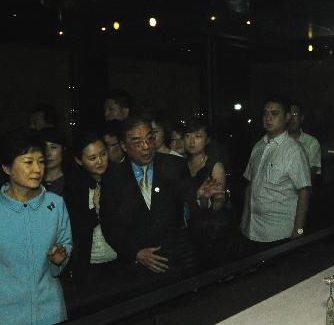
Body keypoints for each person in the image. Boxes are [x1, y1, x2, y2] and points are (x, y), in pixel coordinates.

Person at [0, 129, 71, 325]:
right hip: (4, 317)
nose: (37, 169)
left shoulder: (56, 205)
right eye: (28, 162)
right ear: (6, 168)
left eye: (41, 162)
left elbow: (66, 246)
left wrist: (58, 260)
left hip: (50, 311)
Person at [99, 116, 193, 283]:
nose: (146, 146)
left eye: (150, 138)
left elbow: (191, 209)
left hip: (176, 264)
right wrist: (136, 253)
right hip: (136, 271)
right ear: (124, 146)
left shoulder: (175, 166)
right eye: (137, 142)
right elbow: (110, 225)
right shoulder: (112, 178)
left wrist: (204, 200)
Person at [241, 96, 311, 245]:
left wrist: (298, 231)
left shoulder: (294, 150)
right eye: (265, 113)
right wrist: (243, 221)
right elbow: (250, 187)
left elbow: (304, 191)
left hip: (279, 233)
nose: (268, 118)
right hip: (252, 230)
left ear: (286, 117)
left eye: (275, 113)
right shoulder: (258, 146)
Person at [63, 131, 120, 309]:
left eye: (103, 154)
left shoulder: (119, 179)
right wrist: (95, 211)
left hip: (120, 259)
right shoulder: (73, 187)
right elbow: (73, 227)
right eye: (92, 157)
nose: (100, 161)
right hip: (89, 264)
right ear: (79, 160)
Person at [184, 119, 231, 266]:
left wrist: (204, 199)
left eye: (198, 136)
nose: (192, 141)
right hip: (187, 228)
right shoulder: (180, 164)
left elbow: (217, 206)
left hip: (210, 230)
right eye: (188, 136)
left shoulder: (215, 166)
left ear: (207, 140)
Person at [288, 103, 322, 176]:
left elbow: (312, 173)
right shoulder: (275, 140)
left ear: (302, 118)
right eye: (289, 114)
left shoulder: (311, 143)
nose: (291, 117)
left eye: (295, 113)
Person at [40, 127, 68, 196]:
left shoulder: (72, 182)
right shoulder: (32, 180)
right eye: (44, 147)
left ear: (63, 149)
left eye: (53, 147)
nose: (47, 153)